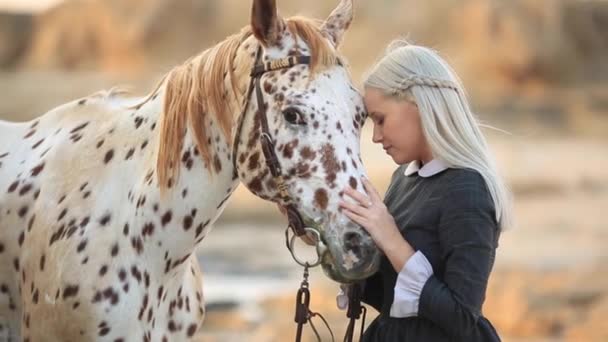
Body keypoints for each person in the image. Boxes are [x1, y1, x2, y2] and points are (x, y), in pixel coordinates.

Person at [338, 40, 513, 341]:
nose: (377, 136)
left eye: (380, 119)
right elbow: (395, 300)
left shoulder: (468, 189)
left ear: (418, 106)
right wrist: (344, 243)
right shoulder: (403, 178)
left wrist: (391, 239)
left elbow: (462, 320)